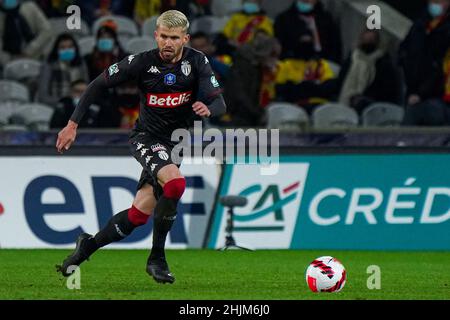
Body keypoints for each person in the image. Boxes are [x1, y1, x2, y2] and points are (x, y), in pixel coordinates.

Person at [55, 10, 226, 284]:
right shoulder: (141, 63)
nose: (168, 43)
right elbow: (97, 85)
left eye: (174, 38)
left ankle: (87, 246)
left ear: (185, 38)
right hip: (146, 137)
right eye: (163, 37)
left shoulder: (197, 61)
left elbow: (220, 103)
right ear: (156, 35)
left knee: (137, 216)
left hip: (176, 145)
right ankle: (157, 258)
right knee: (176, 185)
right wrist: (72, 124)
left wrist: (208, 108)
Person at [399, 0, 450, 126]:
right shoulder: (419, 24)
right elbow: (404, 48)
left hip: (435, 95)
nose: (435, 4)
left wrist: (421, 93)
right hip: (412, 89)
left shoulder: (447, 28)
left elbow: (440, 67)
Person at [337, 29, 401, 114]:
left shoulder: (383, 63)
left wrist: (361, 97)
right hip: (349, 99)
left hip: (375, 103)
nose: (367, 43)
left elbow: (387, 90)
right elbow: (340, 80)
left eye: (371, 40)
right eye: (365, 40)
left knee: (360, 103)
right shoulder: (351, 60)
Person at [275, 32, 335, 114]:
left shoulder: (321, 64)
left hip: (319, 105)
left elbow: (329, 87)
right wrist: (309, 87)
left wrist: (305, 87)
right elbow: (281, 89)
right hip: (293, 106)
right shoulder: (286, 65)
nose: (305, 46)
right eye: (303, 42)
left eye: (309, 42)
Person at [274, 0, 342, 63]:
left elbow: (334, 51)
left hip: (317, 68)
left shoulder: (326, 21)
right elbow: (277, 47)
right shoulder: (283, 19)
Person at [37, 33, 89, 107]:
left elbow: (87, 89)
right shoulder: (49, 65)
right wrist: (63, 102)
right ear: (57, 50)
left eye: (70, 47)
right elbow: (43, 96)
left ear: (75, 48)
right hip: (56, 106)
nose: (67, 50)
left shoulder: (81, 64)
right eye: (63, 47)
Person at [0, 0, 52, 65]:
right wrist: (8, 60)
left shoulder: (30, 7)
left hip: (35, 56)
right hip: (10, 62)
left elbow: (46, 31)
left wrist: (29, 51)